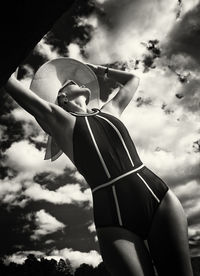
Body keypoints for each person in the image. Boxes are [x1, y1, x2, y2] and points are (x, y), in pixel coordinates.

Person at [4, 57, 193, 276]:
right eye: (72, 81)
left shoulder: (110, 109)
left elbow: (133, 79)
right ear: (62, 98)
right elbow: (11, 83)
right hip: (113, 216)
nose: (80, 81)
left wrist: (100, 70)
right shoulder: (61, 121)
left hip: (158, 197)